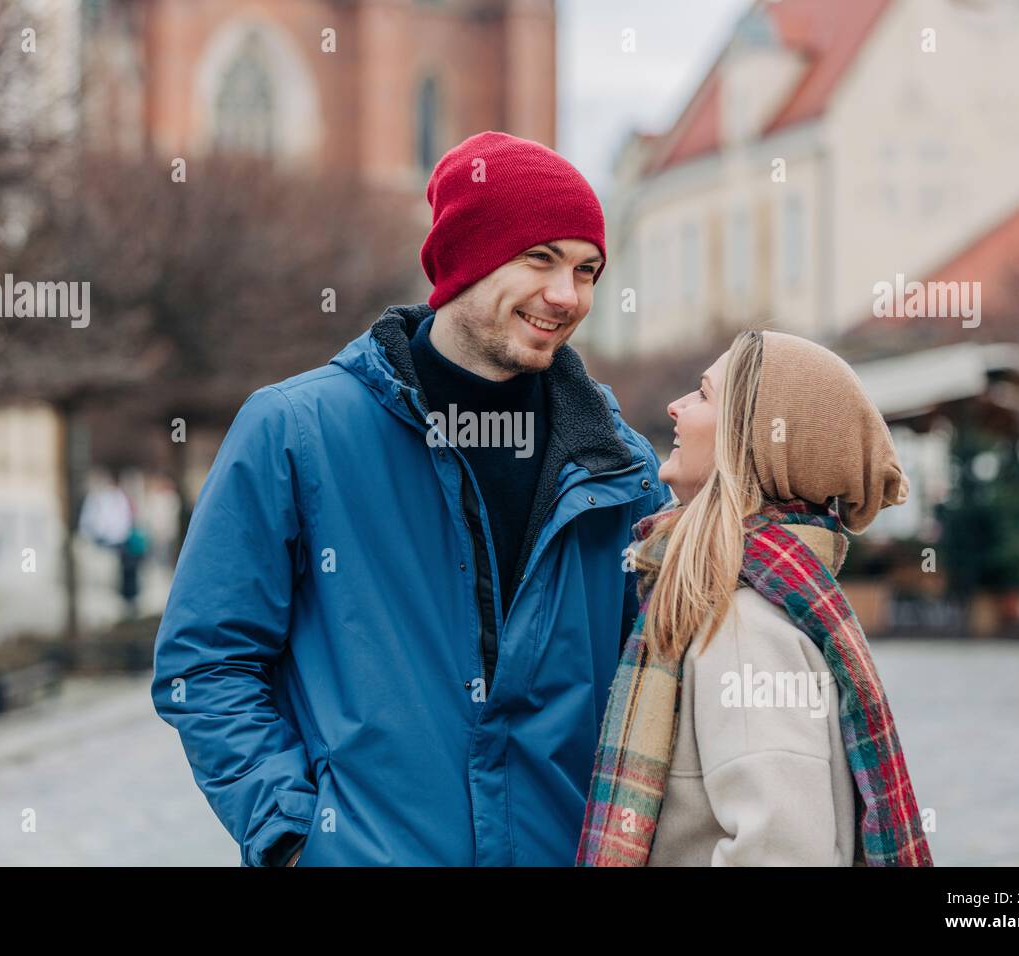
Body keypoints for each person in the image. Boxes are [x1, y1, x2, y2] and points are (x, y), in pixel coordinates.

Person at [151, 131, 669, 866]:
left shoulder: (622, 469)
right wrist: (294, 838)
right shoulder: (296, 433)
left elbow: (649, 687)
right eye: (539, 260)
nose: (567, 295)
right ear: (465, 260)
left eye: (587, 269)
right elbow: (206, 662)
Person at [577, 330, 934, 866]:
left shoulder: (744, 628)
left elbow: (778, 853)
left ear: (750, 443)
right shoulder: (740, 601)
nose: (676, 407)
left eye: (702, 395)